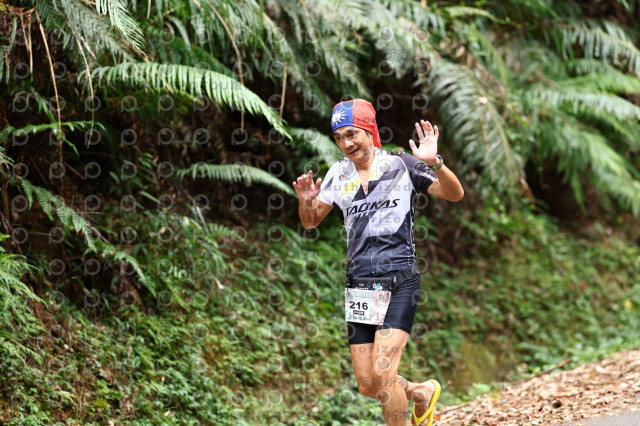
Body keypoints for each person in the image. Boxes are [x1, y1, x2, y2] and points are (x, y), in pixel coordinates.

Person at [293, 98, 463, 426]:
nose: (346, 143)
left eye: (351, 134)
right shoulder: (337, 174)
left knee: (384, 374)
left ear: (369, 131)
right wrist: (306, 202)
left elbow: (454, 194)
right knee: (369, 385)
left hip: (399, 279)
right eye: (339, 137)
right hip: (360, 287)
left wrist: (436, 163)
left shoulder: (401, 164)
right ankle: (421, 392)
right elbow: (310, 221)